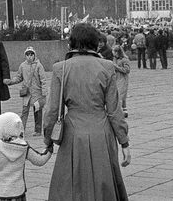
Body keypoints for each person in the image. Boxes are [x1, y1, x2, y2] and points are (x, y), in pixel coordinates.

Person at [43, 22, 130, 201]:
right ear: (95, 43)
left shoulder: (61, 68)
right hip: (101, 130)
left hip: (73, 131)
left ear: (72, 43)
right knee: (102, 182)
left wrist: (47, 139)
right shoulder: (106, 66)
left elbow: (52, 110)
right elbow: (114, 110)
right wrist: (124, 142)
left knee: (70, 184)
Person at [0, 112, 52, 201]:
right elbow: (39, 160)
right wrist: (49, 149)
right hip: (18, 193)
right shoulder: (24, 148)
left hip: (0, 193)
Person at [6, 46, 47, 136]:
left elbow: (43, 80)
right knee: (24, 111)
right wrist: (11, 82)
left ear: (34, 55)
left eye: (31, 54)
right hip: (27, 92)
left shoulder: (39, 65)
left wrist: (44, 93)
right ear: (25, 56)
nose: (29, 56)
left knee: (37, 111)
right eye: (27, 54)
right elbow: (19, 77)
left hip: (37, 92)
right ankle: (21, 129)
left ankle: (38, 130)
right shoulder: (22, 65)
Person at [112, 44, 130, 118]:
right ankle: (124, 110)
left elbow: (127, 70)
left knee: (120, 94)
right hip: (116, 78)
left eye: (114, 52)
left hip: (122, 78)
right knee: (119, 95)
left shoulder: (124, 59)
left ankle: (119, 111)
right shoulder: (115, 59)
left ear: (117, 52)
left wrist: (116, 67)